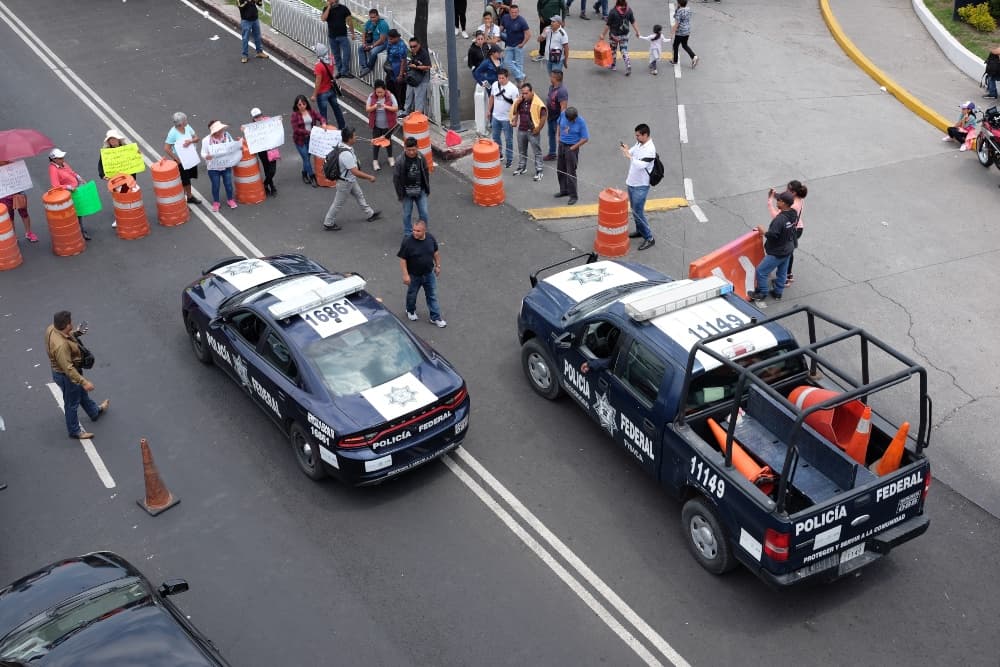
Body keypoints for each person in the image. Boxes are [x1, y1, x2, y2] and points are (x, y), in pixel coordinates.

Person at [45, 311, 109, 440]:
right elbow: (68, 369)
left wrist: (77, 333)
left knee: (80, 393)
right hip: (66, 376)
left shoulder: (52, 328)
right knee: (71, 403)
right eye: (70, 323)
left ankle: (94, 411)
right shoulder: (61, 347)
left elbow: (65, 337)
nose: (72, 324)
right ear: (66, 325)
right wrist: (84, 381)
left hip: (63, 372)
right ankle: (74, 431)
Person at [322, 127, 381, 231]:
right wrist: (369, 177)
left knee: (359, 195)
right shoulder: (346, 154)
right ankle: (328, 222)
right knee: (338, 203)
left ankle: (370, 214)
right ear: (349, 139)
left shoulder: (343, 146)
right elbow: (355, 172)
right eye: (354, 136)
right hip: (345, 183)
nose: (356, 137)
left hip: (349, 180)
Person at [748, 191, 798, 301]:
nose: (777, 201)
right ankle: (778, 292)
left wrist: (762, 231)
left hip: (777, 252)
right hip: (788, 248)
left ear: (784, 203)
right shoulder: (793, 213)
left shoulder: (779, 220)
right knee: (782, 272)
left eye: (779, 200)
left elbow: (772, 235)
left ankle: (762, 292)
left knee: (761, 271)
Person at [397, 220, 446, 327]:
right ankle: (410, 310)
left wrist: (438, 266)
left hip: (429, 274)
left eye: (418, 231)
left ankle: (435, 317)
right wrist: (405, 275)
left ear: (424, 230)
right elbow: (403, 259)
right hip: (414, 275)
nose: (414, 232)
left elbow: (436, 253)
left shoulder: (430, 238)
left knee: (432, 295)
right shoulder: (407, 242)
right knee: (412, 295)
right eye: (414, 230)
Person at [621, 123, 656, 250]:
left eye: (638, 135)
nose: (636, 137)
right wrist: (626, 150)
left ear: (645, 135)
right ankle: (639, 231)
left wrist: (629, 156)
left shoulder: (650, 149)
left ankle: (649, 238)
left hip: (641, 185)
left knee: (638, 212)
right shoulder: (640, 144)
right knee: (634, 210)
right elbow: (632, 152)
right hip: (632, 182)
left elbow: (641, 165)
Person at [767, 180, 807, 284]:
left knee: (786, 252)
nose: (785, 191)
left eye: (788, 190)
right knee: (788, 251)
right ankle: (787, 275)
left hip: (793, 230)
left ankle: (786, 277)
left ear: (793, 193)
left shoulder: (793, 205)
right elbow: (784, 197)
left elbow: (778, 218)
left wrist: (770, 202)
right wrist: (775, 194)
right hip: (795, 227)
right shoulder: (797, 198)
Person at [97, 129, 139, 227]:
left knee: (131, 197)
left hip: (128, 179)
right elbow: (100, 165)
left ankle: (134, 216)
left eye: (114, 139)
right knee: (119, 200)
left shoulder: (127, 149)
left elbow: (135, 160)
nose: (113, 141)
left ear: (119, 140)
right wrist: (103, 175)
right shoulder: (106, 153)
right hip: (116, 181)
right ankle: (120, 218)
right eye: (111, 140)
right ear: (108, 142)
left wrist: (137, 154)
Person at [48, 149, 92, 241]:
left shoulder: (63, 164)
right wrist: (68, 187)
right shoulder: (53, 169)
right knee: (74, 214)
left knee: (79, 212)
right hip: (68, 195)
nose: (62, 159)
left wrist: (78, 177)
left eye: (62, 157)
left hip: (75, 191)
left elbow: (71, 172)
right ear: (54, 159)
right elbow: (55, 185)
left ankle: (80, 230)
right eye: (60, 158)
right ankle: (78, 232)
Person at [393, 137, 431, 237]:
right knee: (407, 214)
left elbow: (426, 172)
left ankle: (422, 231)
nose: (411, 152)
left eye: (413, 149)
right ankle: (408, 233)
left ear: (417, 148)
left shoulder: (421, 157)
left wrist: (427, 188)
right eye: (408, 150)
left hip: (420, 190)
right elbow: (396, 179)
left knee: (424, 213)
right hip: (406, 192)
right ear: (404, 148)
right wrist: (400, 194)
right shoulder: (400, 161)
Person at [510, 81, 547, 181]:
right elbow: (514, 111)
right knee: (522, 150)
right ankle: (522, 167)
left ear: (532, 92)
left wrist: (538, 129)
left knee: (537, 152)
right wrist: (517, 102)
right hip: (521, 129)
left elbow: (544, 116)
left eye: (526, 93)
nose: (524, 95)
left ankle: (539, 171)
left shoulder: (537, 103)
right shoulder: (520, 101)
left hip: (532, 131)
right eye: (523, 93)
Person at [163, 112, 201, 205]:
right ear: (181, 123)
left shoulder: (187, 127)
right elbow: (166, 148)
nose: (187, 121)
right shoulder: (173, 133)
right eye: (185, 120)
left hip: (190, 158)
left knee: (188, 179)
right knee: (183, 181)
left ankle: (190, 197)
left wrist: (191, 141)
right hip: (181, 161)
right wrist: (177, 160)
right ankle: (182, 202)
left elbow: (197, 138)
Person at [201, 120, 238, 212]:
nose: (222, 131)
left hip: (226, 166)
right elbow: (203, 153)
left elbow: (233, 146)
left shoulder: (227, 136)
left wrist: (238, 144)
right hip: (213, 168)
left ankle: (230, 199)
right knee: (216, 185)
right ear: (215, 132)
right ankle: (216, 202)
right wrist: (206, 156)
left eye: (222, 129)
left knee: (228, 184)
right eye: (220, 130)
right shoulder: (206, 140)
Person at [554, 106, 588, 205]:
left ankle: (573, 195)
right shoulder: (563, 114)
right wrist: (558, 137)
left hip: (572, 147)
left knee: (571, 172)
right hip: (561, 145)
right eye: (570, 119)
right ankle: (563, 190)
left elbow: (585, 138)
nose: (571, 121)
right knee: (560, 169)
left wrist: (573, 148)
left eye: (573, 120)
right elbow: (558, 124)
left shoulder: (581, 122)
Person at [290, 95, 325, 187]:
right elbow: (296, 129)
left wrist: (323, 123)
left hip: (310, 139)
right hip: (300, 140)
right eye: (299, 104)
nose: (302, 106)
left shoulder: (311, 112)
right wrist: (309, 132)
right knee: (305, 158)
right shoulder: (295, 115)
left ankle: (304, 173)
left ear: (306, 103)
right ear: (296, 105)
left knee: (307, 159)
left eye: (303, 104)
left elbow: (320, 117)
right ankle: (312, 176)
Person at [311, 43, 347, 130]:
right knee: (337, 109)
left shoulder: (319, 66)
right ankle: (342, 127)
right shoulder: (331, 58)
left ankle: (325, 130)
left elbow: (318, 82)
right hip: (331, 89)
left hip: (322, 92)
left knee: (323, 114)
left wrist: (314, 95)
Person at [489, 67, 519, 168]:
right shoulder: (494, 85)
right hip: (496, 117)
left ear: (507, 78)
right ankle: (499, 154)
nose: (500, 80)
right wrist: (489, 110)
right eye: (499, 78)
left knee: (508, 139)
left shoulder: (513, 89)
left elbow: (516, 105)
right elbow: (492, 97)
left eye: (502, 78)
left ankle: (509, 158)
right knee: (496, 137)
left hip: (507, 118)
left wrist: (515, 119)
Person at [366, 80, 399, 171]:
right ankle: (375, 161)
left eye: (381, 92)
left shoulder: (390, 96)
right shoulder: (371, 97)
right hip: (376, 125)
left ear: (385, 90)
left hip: (388, 125)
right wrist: (374, 107)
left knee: (388, 141)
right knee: (376, 143)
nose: (379, 94)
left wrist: (385, 106)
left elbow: (396, 108)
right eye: (377, 92)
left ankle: (390, 157)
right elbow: (368, 109)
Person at [601, 0, 640, 76]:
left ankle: (613, 65)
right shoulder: (629, 10)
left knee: (613, 50)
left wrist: (603, 35)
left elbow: (608, 25)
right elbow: (633, 21)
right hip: (625, 35)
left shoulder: (613, 11)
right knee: (624, 50)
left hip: (614, 36)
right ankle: (628, 64)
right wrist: (637, 31)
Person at [0, 161, 36, 243]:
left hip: (18, 193)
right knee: (10, 217)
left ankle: (28, 232)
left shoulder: (12, 163)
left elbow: (20, 175)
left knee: (24, 213)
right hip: (4, 196)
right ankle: (14, 236)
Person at [249, 108, 278, 196]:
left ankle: (265, 184)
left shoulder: (269, 121)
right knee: (266, 168)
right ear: (253, 118)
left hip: (271, 149)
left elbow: (276, 127)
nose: (258, 118)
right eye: (256, 117)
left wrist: (278, 122)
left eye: (259, 116)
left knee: (272, 170)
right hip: (262, 151)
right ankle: (272, 186)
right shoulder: (252, 127)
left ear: (262, 115)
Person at [500, 4, 531, 84]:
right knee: (507, 62)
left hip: (518, 45)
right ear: (509, 11)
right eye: (512, 12)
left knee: (519, 64)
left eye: (516, 12)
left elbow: (528, 34)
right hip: (509, 45)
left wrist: (522, 44)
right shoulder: (505, 17)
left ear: (518, 12)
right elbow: (501, 28)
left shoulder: (521, 21)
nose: (514, 14)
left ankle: (520, 81)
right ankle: (522, 76)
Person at [322, 0, 354, 77]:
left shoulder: (344, 8)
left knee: (347, 53)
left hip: (342, 35)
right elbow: (323, 18)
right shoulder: (326, 9)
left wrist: (352, 33)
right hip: (332, 36)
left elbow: (349, 21)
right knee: (336, 55)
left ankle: (344, 71)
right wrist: (329, 7)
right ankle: (340, 71)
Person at [403, 38, 432, 116]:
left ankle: (417, 115)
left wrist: (416, 67)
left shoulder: (423, 53)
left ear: (419, 45)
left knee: (418, 98)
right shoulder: (411, 53)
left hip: (421, 78)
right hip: (412, 76)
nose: (412, 48)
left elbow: (428, 66)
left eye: (414, 46)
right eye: (411, 46)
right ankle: (406, 111)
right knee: (408, 95)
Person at [544, 70, 568, 161]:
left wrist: (561, 121)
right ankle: (552, 153)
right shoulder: (552, 87)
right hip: (551, 117)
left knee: (561, 138)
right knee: (551, 135)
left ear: (556, 78)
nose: (550, 78)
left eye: (551, 76)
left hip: (557, 118)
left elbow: (563, 107)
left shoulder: (562, 91)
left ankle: (565, 155)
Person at [359, 8, 390, 77]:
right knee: (361, 48)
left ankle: (369, 68)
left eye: (374, 17)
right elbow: (364, 33)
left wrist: (372, 46)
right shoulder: (369, 22)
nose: (372, 19)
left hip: (383, 43)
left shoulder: (383, 24)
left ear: (378, 16)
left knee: (373, 51)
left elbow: (382, 39)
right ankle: (364, 67)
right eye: (371, 17)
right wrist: (364, 43)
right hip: (373, 41)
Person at [384, 29, 409, 106]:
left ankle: (401, 106)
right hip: (390, 69)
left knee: (399, 89)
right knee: (389, 86)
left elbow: (403, 61)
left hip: (398, 69)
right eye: (389, 38)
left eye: (391, 39)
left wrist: (401, 74)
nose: (389, 40)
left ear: (397, 38)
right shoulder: (390, 43)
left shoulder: (401, 46)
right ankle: (392, 103)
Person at [671, 0, 698, 68]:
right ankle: (694, 56)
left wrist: (672, 33)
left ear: (679, 3)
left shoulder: (679, 11)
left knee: (675, 46)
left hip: (680, 32)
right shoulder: (688, 9)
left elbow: (677, 23)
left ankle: (675, 60)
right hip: (687, 30)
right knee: (684, 45)